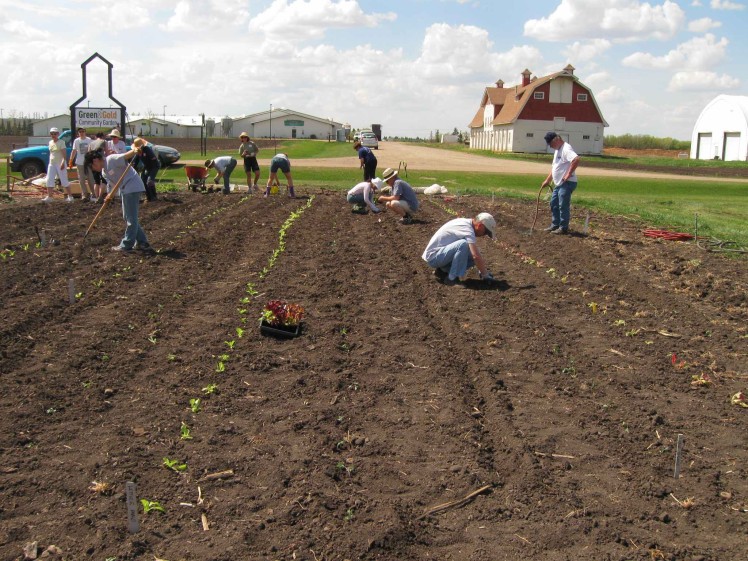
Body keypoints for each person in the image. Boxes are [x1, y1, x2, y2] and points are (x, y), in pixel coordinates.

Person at [84, 147, 155, 253]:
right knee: (128, 217)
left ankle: (126, 245)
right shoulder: (104, 172)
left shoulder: (111, 159)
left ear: (95, 161)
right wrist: (109, 195)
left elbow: (126, 156)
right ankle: (142, 242)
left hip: (132, 186)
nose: (93, 169)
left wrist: (135, 150)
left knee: (131, 218)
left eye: (91, 166)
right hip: (125, 189)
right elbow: (113, 185)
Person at [422, 213, 496, 287]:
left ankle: (442, 271)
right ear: (480, 226)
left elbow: (476, 255)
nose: (484, 235)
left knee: (475, 251)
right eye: (486, 232)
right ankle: (451, 279)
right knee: (464, 245)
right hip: (433, 257)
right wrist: (485, 275)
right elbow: (475, 256)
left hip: (440, 255)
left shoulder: (466, 223)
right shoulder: (468, 229)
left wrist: (483, 272)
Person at [541, 132, 580, 235]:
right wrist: (547, 180)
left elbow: (576, 159)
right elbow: (554, 168)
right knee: (553, 203)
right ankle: (555, 225)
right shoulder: (557, 150)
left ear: (556, 140)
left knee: (562, 205)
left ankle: (563, 228)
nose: (550, 147)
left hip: (567, 183)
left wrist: (568, 175)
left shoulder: (566, 149)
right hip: (558, 183)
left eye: (551, 144)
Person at [41, 127, 73, 203]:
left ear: (58, 134)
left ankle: (70, 196)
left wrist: (62, 163)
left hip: (60, 163)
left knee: (64, 179)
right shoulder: (50, 142)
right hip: (52, 163)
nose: (53, 135)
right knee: (49, 179)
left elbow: (64, 154)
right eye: (52, 134)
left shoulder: (61, 142)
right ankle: (50, 197)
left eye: (55, 133)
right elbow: (51, 153)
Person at [68, 127, 94, 201]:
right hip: (79, 162)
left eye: (83, 131)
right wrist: (70, 160)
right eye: (80, 132)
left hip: (88, 162)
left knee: (90, 179)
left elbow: (92, 151)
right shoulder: (76, 141)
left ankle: (93, 194)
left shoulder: (89, 140)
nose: (81, 133)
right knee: (81, 179)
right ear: (78, 133)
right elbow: (74, 151)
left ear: (85, 132)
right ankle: (84, 194)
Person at [132, 137, 160, 202]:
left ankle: (153, 197)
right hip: (147, 167)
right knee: (143, 181)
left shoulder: (147, 150)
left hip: (154, 166)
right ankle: (148, 196)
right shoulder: (138, 153)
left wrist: (149, 170)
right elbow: (135, 162)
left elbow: (153, 159)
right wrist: (133, 167)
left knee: (149, 181)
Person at [87, 132, 107, 202]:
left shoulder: (91, 143)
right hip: (100, 161)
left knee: (96, 181)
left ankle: (96, 197)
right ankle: (100, 197)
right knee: (104, 180)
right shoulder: (104, 141)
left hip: (93, 162)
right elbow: (106, 152)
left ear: (96, 136)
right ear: (102, 136)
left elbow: (88, 153)